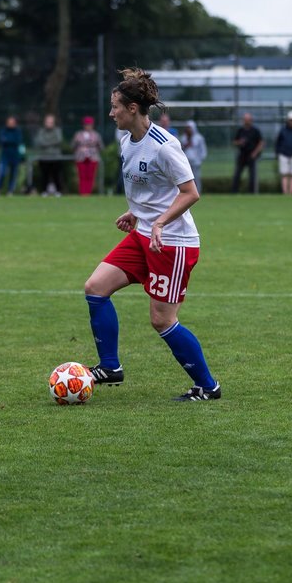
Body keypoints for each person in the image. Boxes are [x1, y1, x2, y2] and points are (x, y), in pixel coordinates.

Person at [84, 68, 220, 401]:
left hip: (172, 243)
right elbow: (149, 188)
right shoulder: (124, 141)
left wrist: (159, 222)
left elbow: (190, 193)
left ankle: (207, 387)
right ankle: (110, 366)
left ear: (133, 109)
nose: (111, 112)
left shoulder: (164, 146)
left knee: (162, 320)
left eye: (116, 106)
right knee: (95, 288)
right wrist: (138, 213)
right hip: (143, 234)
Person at [231, 112, 263, 193]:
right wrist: (239, 142)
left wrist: (255, 153)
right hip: (242, 155)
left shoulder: (255, 131)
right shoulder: (240, 130)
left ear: (251, 120)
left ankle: (252, 192)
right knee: (237, 175)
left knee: (252, 176)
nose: (247, 121)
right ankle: (234, 192)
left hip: (251, 156)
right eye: (245, 119)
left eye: (248, 119)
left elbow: (261, 143)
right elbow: (234, 142)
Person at [33, 113, 64, 196]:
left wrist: (46, 143)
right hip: (44, 157)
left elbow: (58, 140)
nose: (49, 124)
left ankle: (58, 191)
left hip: (55, 157)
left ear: (54, 123)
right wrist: (51, 143)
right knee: (44, 175)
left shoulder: (57, 131)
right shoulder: (41, 131)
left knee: (56, 175)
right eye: (47, 122)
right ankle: (44, 191)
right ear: (44, 122)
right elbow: (40, 142)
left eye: (51, 122)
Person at [72, 115, 102, 196]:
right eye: (86, 124)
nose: (88, 126)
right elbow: (73, 146)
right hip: (80, 157)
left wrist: (92, 149)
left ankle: (88, 193)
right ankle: (82, 193)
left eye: (89, 124)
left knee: (90, 176)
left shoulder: (96, 135)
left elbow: (100, 147)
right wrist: (80, 148)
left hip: (93, 157)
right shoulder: (78, 134)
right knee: (82, 176)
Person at [0, 115, 23, 196]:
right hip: (5, 156)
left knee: (13, 174)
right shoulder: (3, 131)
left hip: (15, 156)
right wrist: (11, 141)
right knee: (2, 173)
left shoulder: (18, 131)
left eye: (12, 122)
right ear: (6, 123)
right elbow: (2, 140)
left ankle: (10, 191)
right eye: (9, 122)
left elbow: (19, 142)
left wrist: (22, 156)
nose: (11, 124)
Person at [179, 119, 207, 194]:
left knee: (196, 178)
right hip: (186, 162)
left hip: (196, 162)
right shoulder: (183, 138)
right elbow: (180, 150)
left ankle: (198, 192)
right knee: (185, 179)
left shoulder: (199, 138)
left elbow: (203, 150)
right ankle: (186, 193)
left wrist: (200, 159)